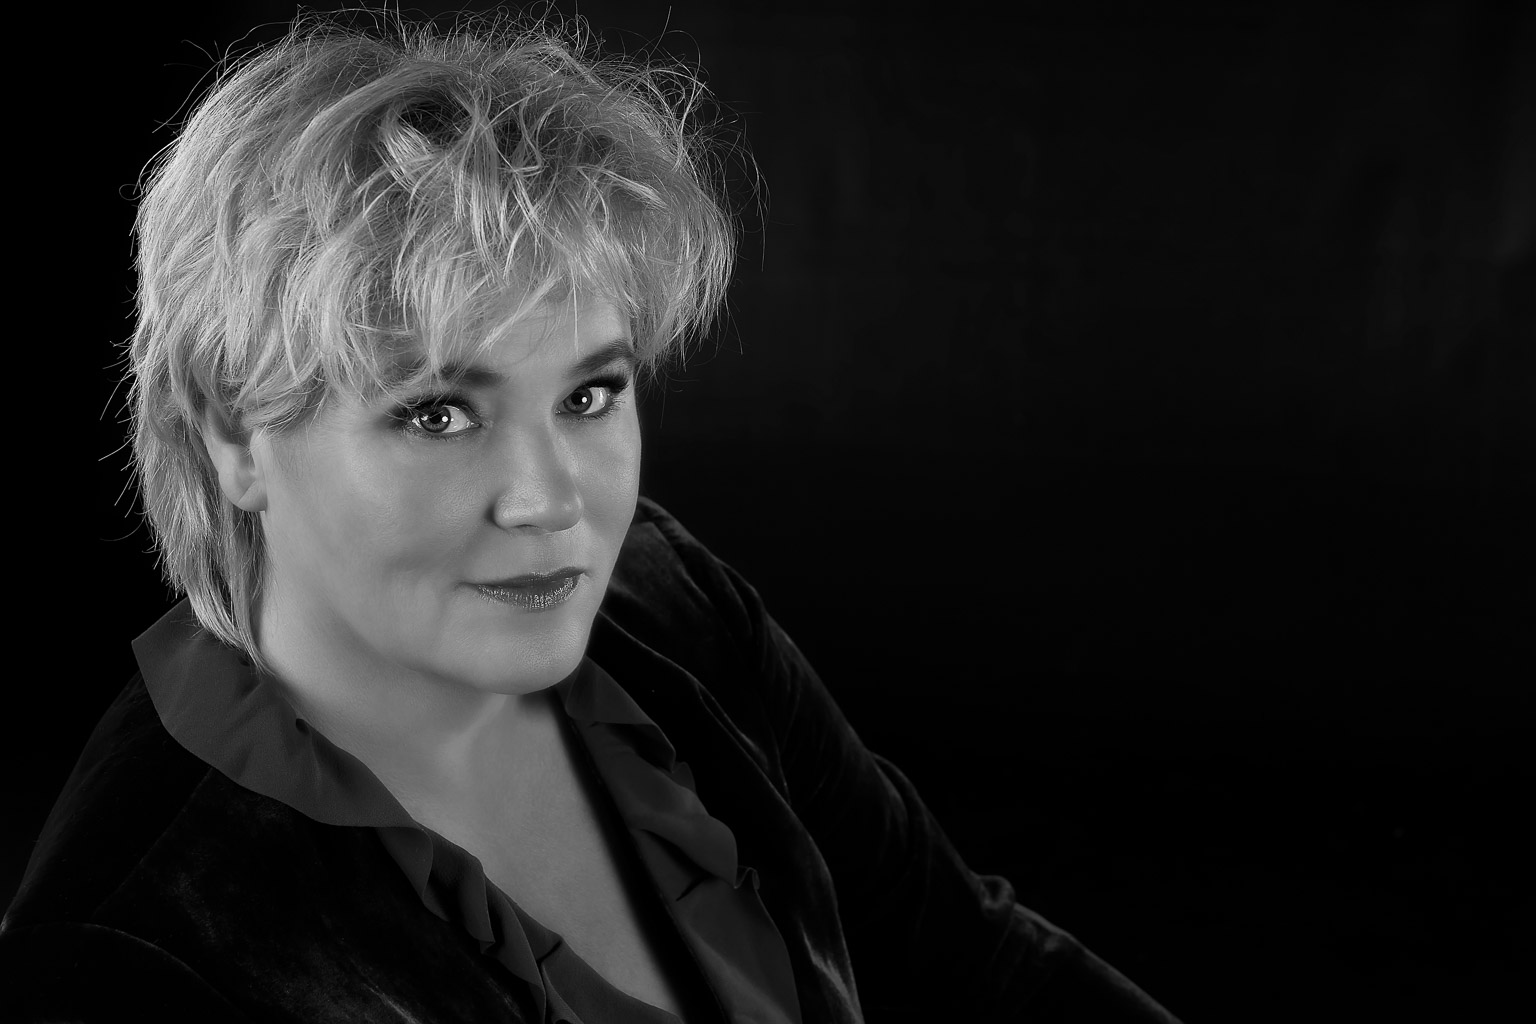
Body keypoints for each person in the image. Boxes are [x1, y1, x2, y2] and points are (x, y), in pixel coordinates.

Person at [0, 12, 1181, 1023]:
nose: (552, 500)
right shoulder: (122, 952)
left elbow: (968, 960)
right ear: (230, 432)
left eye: (589, 394)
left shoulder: (668, 603)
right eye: (438, 413)